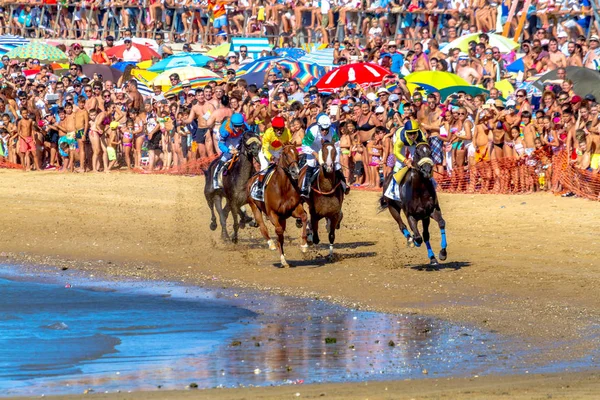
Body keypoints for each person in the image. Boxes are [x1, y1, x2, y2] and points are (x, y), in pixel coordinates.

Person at [300, 114, 348, 198]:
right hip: (313, 150)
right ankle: (305, 188)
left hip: (327, 151)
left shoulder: (332, 132)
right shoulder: (313, 131)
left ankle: (344, 185)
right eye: (322, 129)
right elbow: (304, 146)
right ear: (319, 126)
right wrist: (315, 154)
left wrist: (335, 160)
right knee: (311, 166)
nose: (325, 131)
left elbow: (336, 146)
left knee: (336, 167)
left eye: (326, 129)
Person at [253, 116, 292, 199]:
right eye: (277, 129)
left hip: (278, 151)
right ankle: (259, 188)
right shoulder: (268, 133)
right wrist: (272, 158)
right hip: (266, 151)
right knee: (265, 167)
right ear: (273, 128)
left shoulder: (287, 132)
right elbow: (265, 149)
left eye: (281, 129)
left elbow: (289, 145)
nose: (280, 131)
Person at [213, 113, 249, 189]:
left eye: (240, 126)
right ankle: (215, 177)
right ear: (232, 124)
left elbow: (250, 133)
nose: (238, 128)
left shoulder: (244, 125)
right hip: (228, 139)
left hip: (239, 137)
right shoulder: (224, 129)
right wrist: (229, 150)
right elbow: (221, 144)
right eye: (236, 126)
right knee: (226, 157)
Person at [391, 120, 426, 187]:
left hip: (412, 143)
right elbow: (396, 152)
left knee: (417, 160)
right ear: (406, 132)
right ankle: (393, 185)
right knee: (399, 163)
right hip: (399, 139)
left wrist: (412, 160)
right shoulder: (400, 139)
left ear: (417, 131)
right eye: (410, 133)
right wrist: (406, 161)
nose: (412, 136)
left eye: (414, 133)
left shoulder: (421, 136)